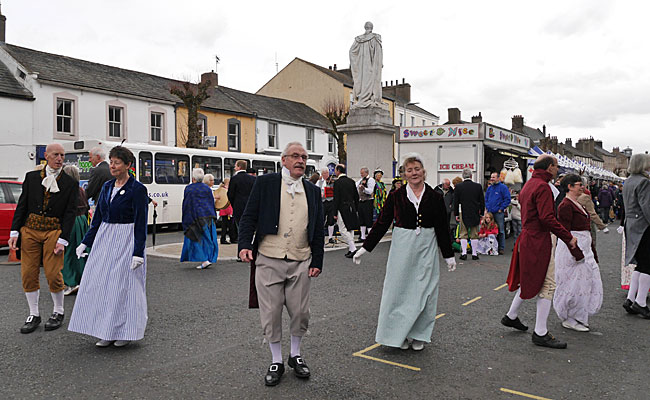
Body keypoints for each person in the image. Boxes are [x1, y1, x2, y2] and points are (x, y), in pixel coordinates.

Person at [238, 142, 324, 386]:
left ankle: (295, 355)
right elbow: (249, 216)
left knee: (300, 312)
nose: (300, 160)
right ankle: (276, 360)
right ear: (283, 160)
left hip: (300, 259)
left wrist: (317, 259)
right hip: (268, 257)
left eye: (304, 157)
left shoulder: (312, 190)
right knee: (271, 312)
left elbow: (317, 228)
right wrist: (244, 244)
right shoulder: (265, 184)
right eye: (295, 156)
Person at [353, 153, 456, 351]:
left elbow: (442, 227)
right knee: (398, 290)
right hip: (402, 246)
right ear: (405, 174)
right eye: (409, 170)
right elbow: (382, 222)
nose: (414, 173)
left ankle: (419, 334)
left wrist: (448, 255)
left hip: (427, 246)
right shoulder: (396, 195)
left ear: (424, 172)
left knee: (425, 291)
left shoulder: (435, 197)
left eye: (417, 169)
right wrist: (365, 248)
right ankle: (396, 334)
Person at [69, 146, 149, 347]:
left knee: (123, 286)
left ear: (128, 165)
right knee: (103, 285)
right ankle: (106, 330)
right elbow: (97, 219)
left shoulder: (138, 189)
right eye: (111, 161)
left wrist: (138, 252)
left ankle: (125, 331)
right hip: (106, 238)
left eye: (117, 162)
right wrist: (86, 242)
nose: (112, 166)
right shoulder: (106, 187)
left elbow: (141, 223)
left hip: (126, 239)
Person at [502, 155, 583, 349]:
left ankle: (512, 316)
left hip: (527, 237)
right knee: (548, 283)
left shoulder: (529, 185)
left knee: (530, 278)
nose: (557, 169)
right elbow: (547, 218)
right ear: (549, 167)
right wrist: (568, 237)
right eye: (556, 166)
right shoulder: (543, 187)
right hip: (539, 238)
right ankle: (540, 332)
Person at [8, 143, 78, 334]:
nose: (60, 158)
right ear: (46, 155)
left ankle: (58, 311)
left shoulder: (70, 183)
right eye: (56, 154)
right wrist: (14, 231)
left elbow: (70, 213)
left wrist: (63, 239)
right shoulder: (31, 178)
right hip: (29, 230)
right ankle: (34, 314)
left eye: (62, 155)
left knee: (53, 273)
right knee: (28, 273)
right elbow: (22, 205)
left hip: (53, 231)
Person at [552, 174, 603, 332]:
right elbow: (565, 232)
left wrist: (591, 252)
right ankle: (571, 318)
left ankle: (580, 316)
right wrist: (577, 254)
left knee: (587, 282)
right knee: (574, 285)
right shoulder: (565, 205)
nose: (583, 187)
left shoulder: (578, 202)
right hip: (573, 250)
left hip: (584, 247)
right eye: (579, 185)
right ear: (570, 187)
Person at [622, 153, 650, 319]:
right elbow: (647, 208)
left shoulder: (629, 181)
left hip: (631, 224)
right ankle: (640, 303)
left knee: (640, 264)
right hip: (644, 227)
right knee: (647, 264)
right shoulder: (644, 182)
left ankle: (631, 299)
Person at [180, 168, 219, 270]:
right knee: (208, 238)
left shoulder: (189, 189)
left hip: (195, 217)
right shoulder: (207, 189)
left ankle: (204, 259)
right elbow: (211, 203)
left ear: (193, 178)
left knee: (195, 239)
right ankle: (209, 257)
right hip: (208, 216)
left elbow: (187, 205)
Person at [61, 165, 90, 296]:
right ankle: (82, 280)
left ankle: (70, 282)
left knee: (67, 253)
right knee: (81, 252)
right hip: (82, 220)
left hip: (71, 223)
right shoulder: (80, 190)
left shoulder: (64, 190)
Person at [349, 21, 383, 108]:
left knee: (362, 82)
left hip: (361, 66)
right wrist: (378, 64)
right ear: (372, 28)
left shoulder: (358, 39)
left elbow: (352, 51)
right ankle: (368, 98)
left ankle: (363, 99)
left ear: (365, 27)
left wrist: (356, 62)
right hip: (371, 66)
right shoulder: (375, 38)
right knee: (370, 81)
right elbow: (378, 55)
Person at [453, 168, 485, 261]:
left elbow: (456, 202)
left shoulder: (459, 187)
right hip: (475, 212)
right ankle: (474, 254)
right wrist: (482, 212)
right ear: (471, 176)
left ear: (463, 176)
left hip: (463, 211)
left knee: (463, 233)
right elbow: (482, 201)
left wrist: (456, 214)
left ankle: (464, 253)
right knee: (474, 233)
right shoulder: (478, 186)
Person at [333, 164, 360, 257]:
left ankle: (353, 248)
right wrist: (355, 207)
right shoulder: (351, 181)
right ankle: (351, 248)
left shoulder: (337, 183)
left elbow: (336, 199)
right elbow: (356, 196)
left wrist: (334, 212)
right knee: (350, 227)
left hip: (342, 207)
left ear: (338, 171)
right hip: (351, 206)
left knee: (343, 229)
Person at [485, 172, 511, 254]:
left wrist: (501, 208)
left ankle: (501, 248)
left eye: (493, 177)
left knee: (500, 230)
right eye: (491, 177)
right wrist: (487, 208)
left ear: (498, 178)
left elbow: (507, 199)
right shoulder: (489, 188)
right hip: (490, 213)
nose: (492, 179)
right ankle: (490, 247)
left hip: (498, 213)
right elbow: (486, 199)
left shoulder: (503, 188)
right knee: (489, 230)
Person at [316, 168, 337, 244]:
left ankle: (330, 237)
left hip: (331, 202)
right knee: (322, 219)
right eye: (324, 173)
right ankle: (322, 236)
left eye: (327, 173)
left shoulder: (332, 181)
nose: (325, 175)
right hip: (323, 202)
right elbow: (316, 190)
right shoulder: (319, 182)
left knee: (331, 219)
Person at [356, 167, 376, 241]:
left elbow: (370, 191)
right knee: (361, 219)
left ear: (366, 173)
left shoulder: (371, 180)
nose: (361, 174)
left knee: (368, 219)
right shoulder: (361, 180)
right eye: (361, 173)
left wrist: (364, 189)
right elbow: (356, 185)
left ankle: (370, 237)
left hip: (368, 201)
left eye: (362, 173)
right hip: (361, 201)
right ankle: (363, 237)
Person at [214, 178, 236, 245]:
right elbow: (227, 203)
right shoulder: (226, 191)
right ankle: (229, 239)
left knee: (226, 226)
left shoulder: (221, 190)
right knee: (228, 226)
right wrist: (230, 212)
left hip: (224, 211)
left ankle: (225, 239)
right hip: (227, 211)